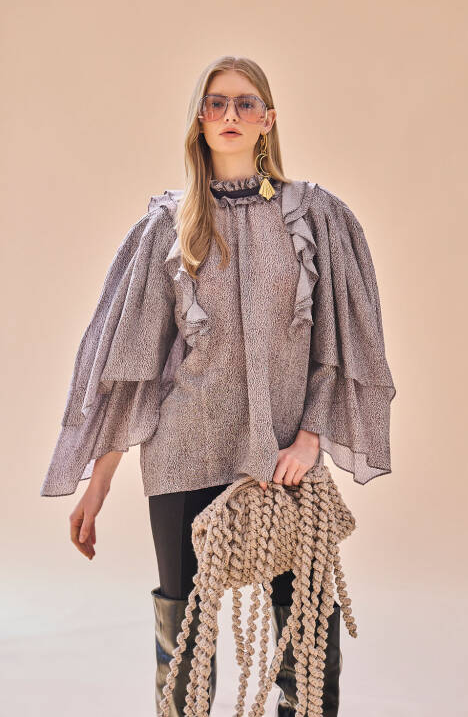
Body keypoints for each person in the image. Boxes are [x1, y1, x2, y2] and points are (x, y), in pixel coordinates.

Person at [40, 55, 396, 717]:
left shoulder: (314, 215)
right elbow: (135, 364)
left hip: (285, 455)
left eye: (245, 103)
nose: (230, 114)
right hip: (184, 453)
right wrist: (100, 480)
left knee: (307, 627)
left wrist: (310, 439)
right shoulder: (167, 225)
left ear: (268, 120)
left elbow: (339, 343)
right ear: (200, 121)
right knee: (184, 633)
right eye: (216, 103)